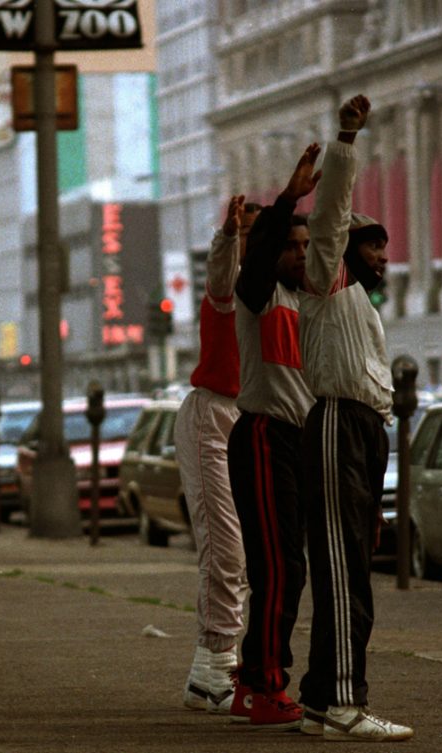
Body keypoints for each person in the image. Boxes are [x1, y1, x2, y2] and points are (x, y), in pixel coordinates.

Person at [296, 95, 414, 742]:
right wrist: (345, 138)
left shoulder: (362, 308)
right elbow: (332, 213)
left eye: (384, 246)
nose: (381, 255)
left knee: (350, 572)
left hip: (362, 433)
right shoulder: (327, 280)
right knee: (344, 577)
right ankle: (343, 699)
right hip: (338, 426)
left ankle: (321, 696)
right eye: (371, 245)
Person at [226, 144, 320, 730]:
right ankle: (264, 683)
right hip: (262, 438)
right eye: (291, 245)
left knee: (290, 567)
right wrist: (288, 199)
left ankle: (252, 678)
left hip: (298, 444)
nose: (300, 254)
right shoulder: (256, 293)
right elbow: (257, 256)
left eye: (306, 247)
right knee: (278, 567)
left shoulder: (308, 301)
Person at [176, 196, 260, 714]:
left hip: (255, 419)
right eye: (244, 230)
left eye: (256, 230)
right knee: (225, 550)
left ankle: (214, 671)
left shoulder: (280, 297)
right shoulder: (226, 294)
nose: (250, 238)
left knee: (249, 554)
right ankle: (213, 670)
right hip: (214, 418)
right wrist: (228, 236)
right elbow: (221, 275)